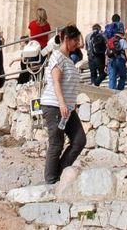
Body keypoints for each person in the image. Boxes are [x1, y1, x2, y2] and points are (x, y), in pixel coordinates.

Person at [41, 25, 86, 184]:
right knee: (56, 142)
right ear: (66, 39)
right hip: (54, 105)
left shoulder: (68, 58)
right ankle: (51, 180)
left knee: (79, 140)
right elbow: (56, 81)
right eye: (75, 40)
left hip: (67, 107)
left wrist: (71, 104)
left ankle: (60, 173)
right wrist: (62, 103)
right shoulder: (57, 57)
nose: (78, 44)